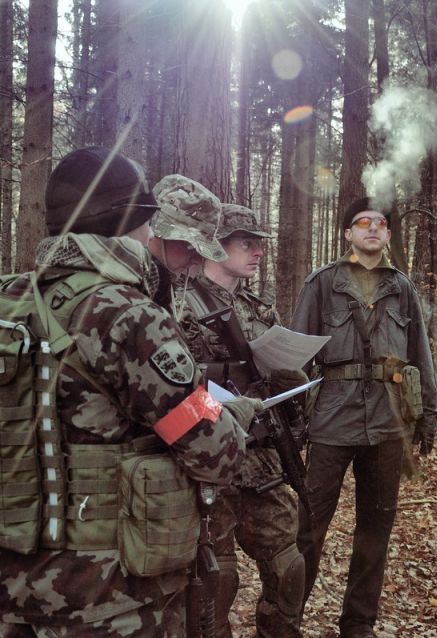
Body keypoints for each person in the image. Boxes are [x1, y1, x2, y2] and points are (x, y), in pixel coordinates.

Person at [0, 147, 259, 637]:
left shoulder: (3, 304)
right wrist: (226, 411)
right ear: (131, 224)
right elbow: (214, 451)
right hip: (109, 602)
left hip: (8, 594)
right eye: (148, 222)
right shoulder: (126, 313)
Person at [158, 174, 307, 638]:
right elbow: (167, 388)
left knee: (288, 567)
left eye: (258, 242)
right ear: (216, 246)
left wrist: (293, 381)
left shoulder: (260, 309)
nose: (257, 251)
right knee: (214, 580)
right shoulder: (176, 305)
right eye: (245, 243)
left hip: (262, 457)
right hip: (210, 457)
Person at [289, 197, 437, 638]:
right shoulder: (321, 284)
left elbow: (421, 356)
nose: (372, 228)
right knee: (309, 530)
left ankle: (358, 624)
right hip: (331, 421)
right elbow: (294, 359)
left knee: (374, 534)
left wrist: (428, 414)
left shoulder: (401, 287)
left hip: (389, 423)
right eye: (362, 222)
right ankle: (287, 617)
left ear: (389, 235)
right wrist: (293, 421)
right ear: (347, 233)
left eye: (380, 223)